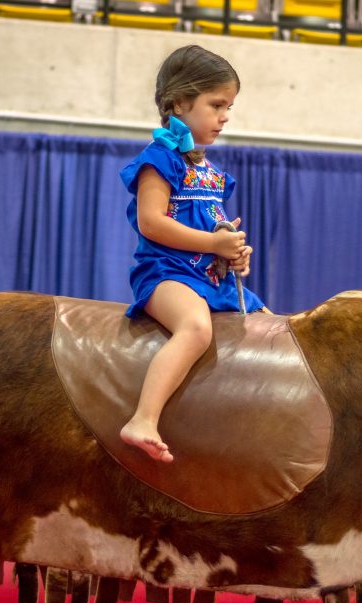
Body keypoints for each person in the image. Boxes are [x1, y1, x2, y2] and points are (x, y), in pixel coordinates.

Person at [118, 45, 265, 464]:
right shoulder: (159, 160)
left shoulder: (210, 171)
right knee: (196, 329)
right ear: (180, 103)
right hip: (166, 274)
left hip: (209, 278)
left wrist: (232, 254)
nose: (225, 116)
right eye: (216, 104)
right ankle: (143, 419)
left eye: (229, 107)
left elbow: (212, 229)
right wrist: (212, 245)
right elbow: (152, 222)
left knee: (272, 326)